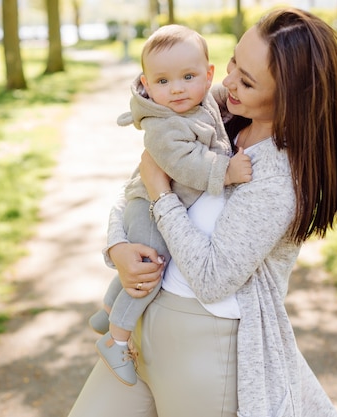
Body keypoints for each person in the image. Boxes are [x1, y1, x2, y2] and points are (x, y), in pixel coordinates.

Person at [69, 7, 337, 417]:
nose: (226, 82)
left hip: (204, 351)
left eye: (246, 80)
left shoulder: (277, 176)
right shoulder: (219, 115)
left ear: (291, 96)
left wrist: (161, 196)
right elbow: (137, 186)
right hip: (140, 328)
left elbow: (212, 278)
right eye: (234, 62)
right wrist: (117, 245)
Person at [88, 24, 253, 386]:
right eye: (162, 81)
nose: (177, 88)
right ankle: (116, 339)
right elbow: (186, 164)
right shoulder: (164, 125)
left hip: (150, 199)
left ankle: (107, 310)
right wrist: (226, 171)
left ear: (209, 75)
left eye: (188, 76)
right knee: (149, 272)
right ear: (146, 84)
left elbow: (221, 100)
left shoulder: (202, 98)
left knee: (140, 266)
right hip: (147, 206)